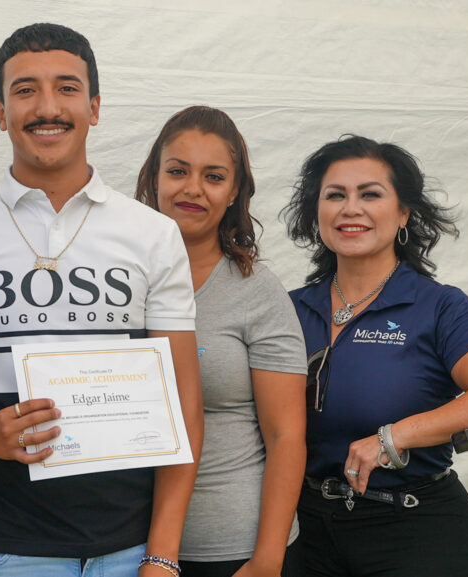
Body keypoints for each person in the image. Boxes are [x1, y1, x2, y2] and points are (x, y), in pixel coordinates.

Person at [0, 23, 203, 577]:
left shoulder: (153, 234)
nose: (48, 107)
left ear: (95, 107)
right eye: (25, 90)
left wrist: (163, 554)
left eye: (67, 88)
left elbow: (184, 403)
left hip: (132, 546)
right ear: (0, 112)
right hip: (8, 545)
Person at [280, 135, 468, 577]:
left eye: (370, 194)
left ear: (403, 213)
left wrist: (396, 436)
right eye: (335, 195)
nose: (351, 208)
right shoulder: (285, 308)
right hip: (307, 535)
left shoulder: (438, 306)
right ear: (317, 212)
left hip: (417, 531)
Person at [135, 106, 307, 577]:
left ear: (234, 192)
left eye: (213, 176)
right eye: (177, 171)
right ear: (153, 177)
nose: (192, 188)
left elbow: (286, 435)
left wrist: (267, 560)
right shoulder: (111, 280)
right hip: (122, 544)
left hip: (231, 549)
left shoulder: (256, 290)